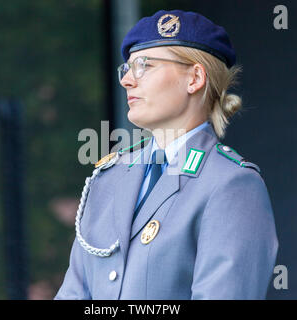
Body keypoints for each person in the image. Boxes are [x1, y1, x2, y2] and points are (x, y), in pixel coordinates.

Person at [55, 9, 278, 300]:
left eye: (144, 65)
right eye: (127, 68)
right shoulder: (105, 180)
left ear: (195, 78)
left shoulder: (231, 184)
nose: (127, 81)